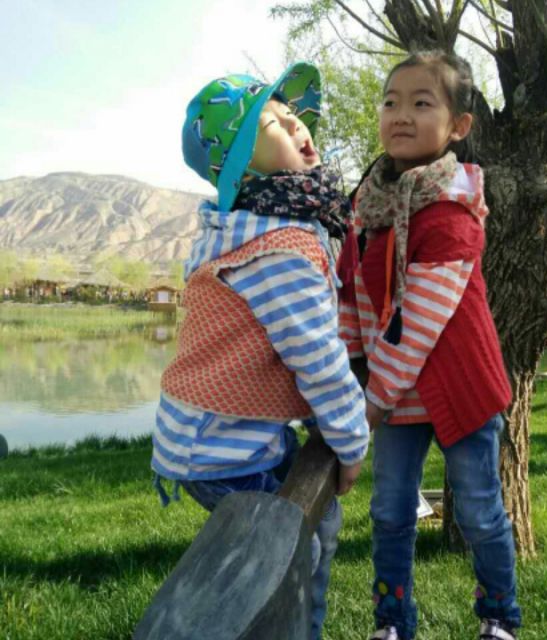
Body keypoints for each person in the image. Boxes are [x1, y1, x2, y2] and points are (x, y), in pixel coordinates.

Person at [151, 63, 369, 640]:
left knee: (313, 525)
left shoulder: (257, 227)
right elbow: (316, 356)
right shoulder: (277, 250)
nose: (295, 124)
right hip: (218, 450)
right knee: (289, 553)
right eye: (271, 124)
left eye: (292, 114)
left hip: (232, 435)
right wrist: (351, 442)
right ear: (241, 165)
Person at [337, 51, 522, 640]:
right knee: (390, 511)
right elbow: (349, 291)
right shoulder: (365, 204)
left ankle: (499, 619)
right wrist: (351, 368)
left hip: (458, 386)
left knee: (480, 509)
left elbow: (417, 323)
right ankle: (392, 623)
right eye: (391, 102)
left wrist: (370, 404)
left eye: (422, 103)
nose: (401, 115)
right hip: (394, 394)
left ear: (458, 125)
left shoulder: (452, 212)